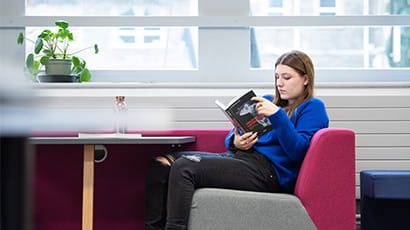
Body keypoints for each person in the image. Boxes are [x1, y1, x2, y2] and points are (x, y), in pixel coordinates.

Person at [144, 50, 329, 230]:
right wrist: (236, 142)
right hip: (242, 159)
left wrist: (278, 115)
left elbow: (297, 152)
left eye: (287, 78)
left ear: (305, 79)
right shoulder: (266, 101)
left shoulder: (312, 107)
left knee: (185, 166)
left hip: (268, 172)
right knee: (161, 163)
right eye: (277, 77)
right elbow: (232, 136)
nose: (280, 83)